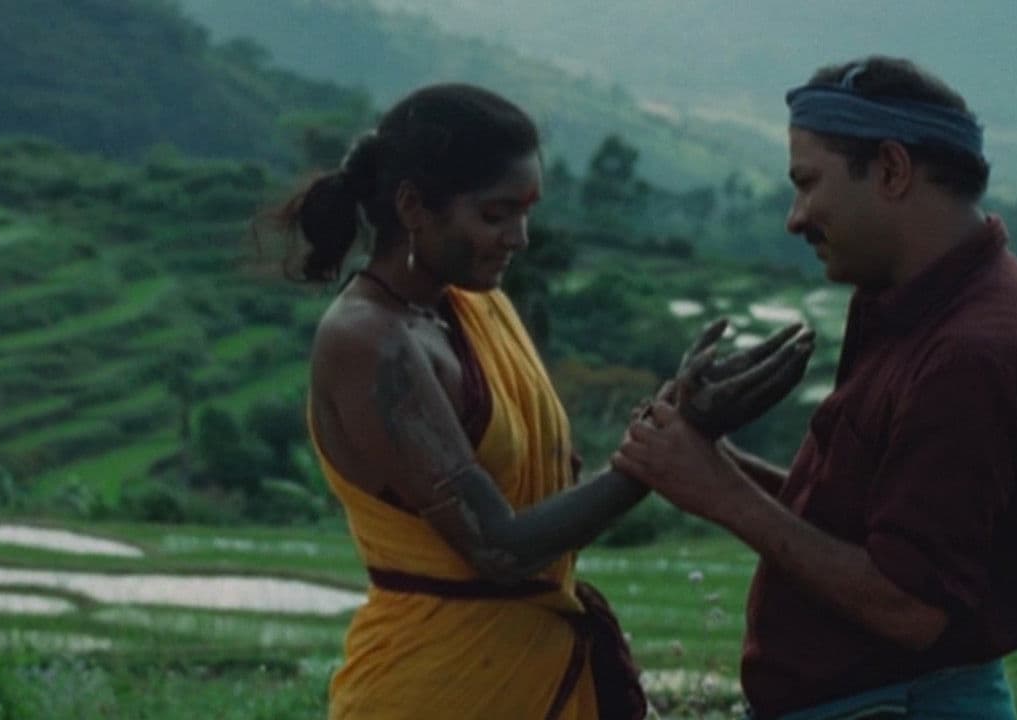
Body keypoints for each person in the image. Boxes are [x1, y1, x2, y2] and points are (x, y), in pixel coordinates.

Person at [268, 83, 813, 719]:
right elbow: (499, 548)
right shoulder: (369, 342)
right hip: (437, 688)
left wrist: (674, 417)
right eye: (495, 215)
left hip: (525, 669)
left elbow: (552, 489)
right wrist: (659, 452)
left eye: (525, 212)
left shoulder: (472, 308)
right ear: (413, 206)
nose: (519, 237)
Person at [613, 57, 1017, 720]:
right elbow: (869, 527)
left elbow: (910, 606)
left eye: (808, 184)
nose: (795, 218)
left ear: (890, 170)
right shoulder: (919, 306)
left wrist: (722, 494)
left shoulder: (971, 353)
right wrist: (711, 461)